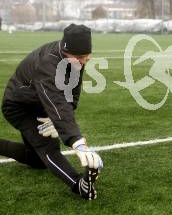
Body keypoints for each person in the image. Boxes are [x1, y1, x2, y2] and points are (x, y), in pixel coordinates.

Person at [0, 24, 104, 200]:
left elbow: (71, 93)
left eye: (87, 57)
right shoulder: (48, 65)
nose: (84, 61)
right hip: (19, 106)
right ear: (65, 51)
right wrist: (77, 142)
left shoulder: (75, 58)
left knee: (37, 160)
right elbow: (56, 100)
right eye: (80, 57)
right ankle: (78, 184)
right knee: (48, 147)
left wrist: (61, 118)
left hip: (39, 102)